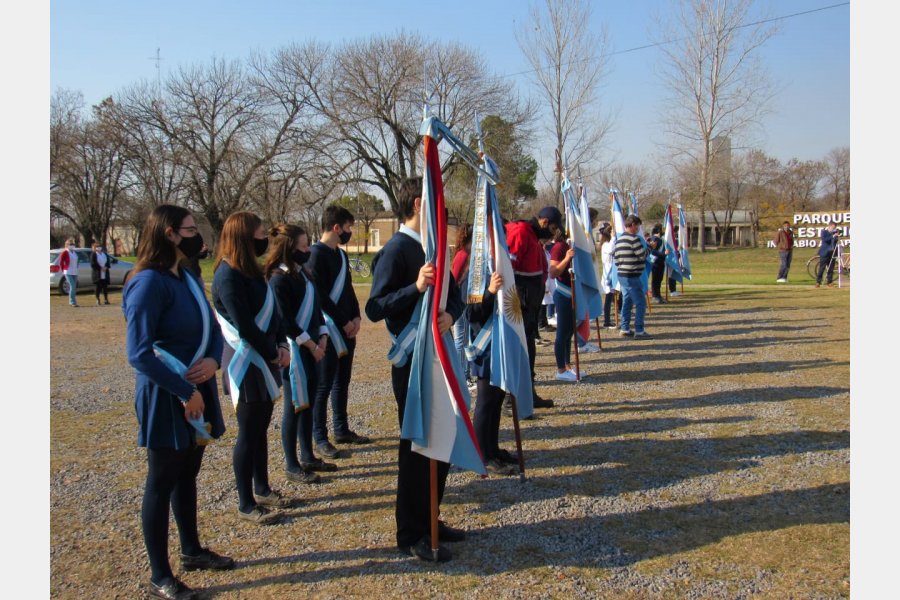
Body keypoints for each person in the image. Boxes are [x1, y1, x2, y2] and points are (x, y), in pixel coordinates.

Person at [122, 204, 233, 600]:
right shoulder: (148, 283)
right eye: (189, 229)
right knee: (161, 481)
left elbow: (213, 326)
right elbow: (139, 353)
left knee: (188, 474)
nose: (196, 234)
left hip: (197, 391)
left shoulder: (184, 275)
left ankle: (192, 551)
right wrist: (186, 391)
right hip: (170, 397)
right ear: (170, 234)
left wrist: (210, 358)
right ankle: (159, 575)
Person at [365, 176, 467, 562]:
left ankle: (432, 519)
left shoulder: (434, 247)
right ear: (417, 204)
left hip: (440, 356)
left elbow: (455, 298)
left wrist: (450, 316)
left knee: (442, 435)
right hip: (411, 361)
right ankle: (410, 532)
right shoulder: (396, 249)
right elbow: (375, 308)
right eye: (434, 201)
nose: (441, 209)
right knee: (416, 445)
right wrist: (416, 288)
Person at [212, 211, 294, 525]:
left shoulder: (254, 272)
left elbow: (274, 317)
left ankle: (262, 487)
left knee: (261, 430)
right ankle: (246, 502)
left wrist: (283, 345)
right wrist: (272, 352)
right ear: (244, 237)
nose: (264, 239)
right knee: (248, 433)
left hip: (267, 358)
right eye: (259, 234)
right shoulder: (227, 274)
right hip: (246, 362)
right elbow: (244, 325)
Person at [264, 224, 332, 485]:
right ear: (288, 248)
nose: (308, 250)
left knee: (309, 403)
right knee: (295, 406)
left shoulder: (305, 274)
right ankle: (292, 464)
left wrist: (323, 335)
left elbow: (316, 310)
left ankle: (308, 455)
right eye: (304, 246)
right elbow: (286, 320)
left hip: (314, 346)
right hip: (296, 351)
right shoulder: (278, 279)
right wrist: (311, 345)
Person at [307, 204, 371, 461]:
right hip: (328, 329)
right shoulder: (315, 255)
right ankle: (320, 436)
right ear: (336, 228)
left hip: (346, 327)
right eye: (347, 228)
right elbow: (321, 296)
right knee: (323, 385)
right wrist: (343, 321)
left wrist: (356, 315)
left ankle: (341, 428)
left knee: (342, 381)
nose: (349, 233)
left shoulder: (341, 256)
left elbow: (348, 289)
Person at [467, 269, 519, 476]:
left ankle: (492, 449)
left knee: (497, 400)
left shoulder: (494, 263)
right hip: (486, 345)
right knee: (486, 402)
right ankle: (481, 455)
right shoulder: (476, 269)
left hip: (500, 342)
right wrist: (489, 291)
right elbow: (472, 312)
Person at [505, 213, 555, 408]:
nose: (553, 235)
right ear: (544, 222)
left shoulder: (532, 235)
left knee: (528, 349)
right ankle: (512, 399)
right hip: (520, 304)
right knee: (518, 349)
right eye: (552, 228)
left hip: (530, 305)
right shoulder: (520, 232)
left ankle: (528, 393)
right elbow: (510, 266)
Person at [545, 206, 579, 381]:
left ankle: (567, 366)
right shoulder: (559, 247)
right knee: (562, 333)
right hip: (562, 293)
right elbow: (553, 272)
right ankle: (560, 369)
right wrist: (567, 258)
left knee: (569, 333)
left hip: (571, 292)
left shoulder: (567, 245)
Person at [614, 215, 650, 338]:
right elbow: (642, 255)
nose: (638, 229)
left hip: (622, 275)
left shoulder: (619, 240)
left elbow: (617, 260)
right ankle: (639, 330)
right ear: (633, 225)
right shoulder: (634, 239)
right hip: (632, 276)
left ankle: (625, 328)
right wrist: (650, 248)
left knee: (627, 302)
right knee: (640, 303)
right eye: (638, 226)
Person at [451, 225, 473, 383]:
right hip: (459, 301)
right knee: (461, 340)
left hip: (464, 301)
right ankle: (460, 377)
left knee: (464, 339)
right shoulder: (463, 255)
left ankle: (464, 373)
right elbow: (454, 279)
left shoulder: (467, 254)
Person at [598, 225, 617, 328]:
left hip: (612, 272)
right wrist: (613, 237)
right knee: (608, 299)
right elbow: (611, 250)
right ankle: (606, 321)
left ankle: (609, 319)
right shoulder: (606, 244)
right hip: (608, 274)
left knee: (611, 298)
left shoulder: (609, 243)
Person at [815, 220, 842, 287]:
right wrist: (833, 236)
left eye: (835, 227)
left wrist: (837, 235)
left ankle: (829, 282)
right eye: (833, 227)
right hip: (824, 253)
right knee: (822, 268)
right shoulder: (824, 232)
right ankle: (818, 282)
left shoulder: (835, 233)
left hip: (832, 253)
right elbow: (825, 240)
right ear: (829, 226)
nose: (834, 228)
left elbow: (835, 241)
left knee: (831, 268)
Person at [648, 225, 667, 303]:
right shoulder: (654, 239)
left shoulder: (660, 239)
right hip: (656, 262)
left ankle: (658, 295)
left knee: (659, 279)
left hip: (661, 261)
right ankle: (655, 295)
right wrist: (663, 254)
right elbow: (652, 251)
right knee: (655, 279)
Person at [59, 238, 80, 307]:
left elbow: (77, 261)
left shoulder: (74, 252)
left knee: (74, 287)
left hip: (74, 271)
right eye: (70, 244)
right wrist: (63, 270)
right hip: (68, 271)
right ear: (67, 245)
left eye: (73, 244)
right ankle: (72, 302)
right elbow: (61, 262)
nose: (72, 246)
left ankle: (73, 301)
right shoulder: (65, 252)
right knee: (72, 285)